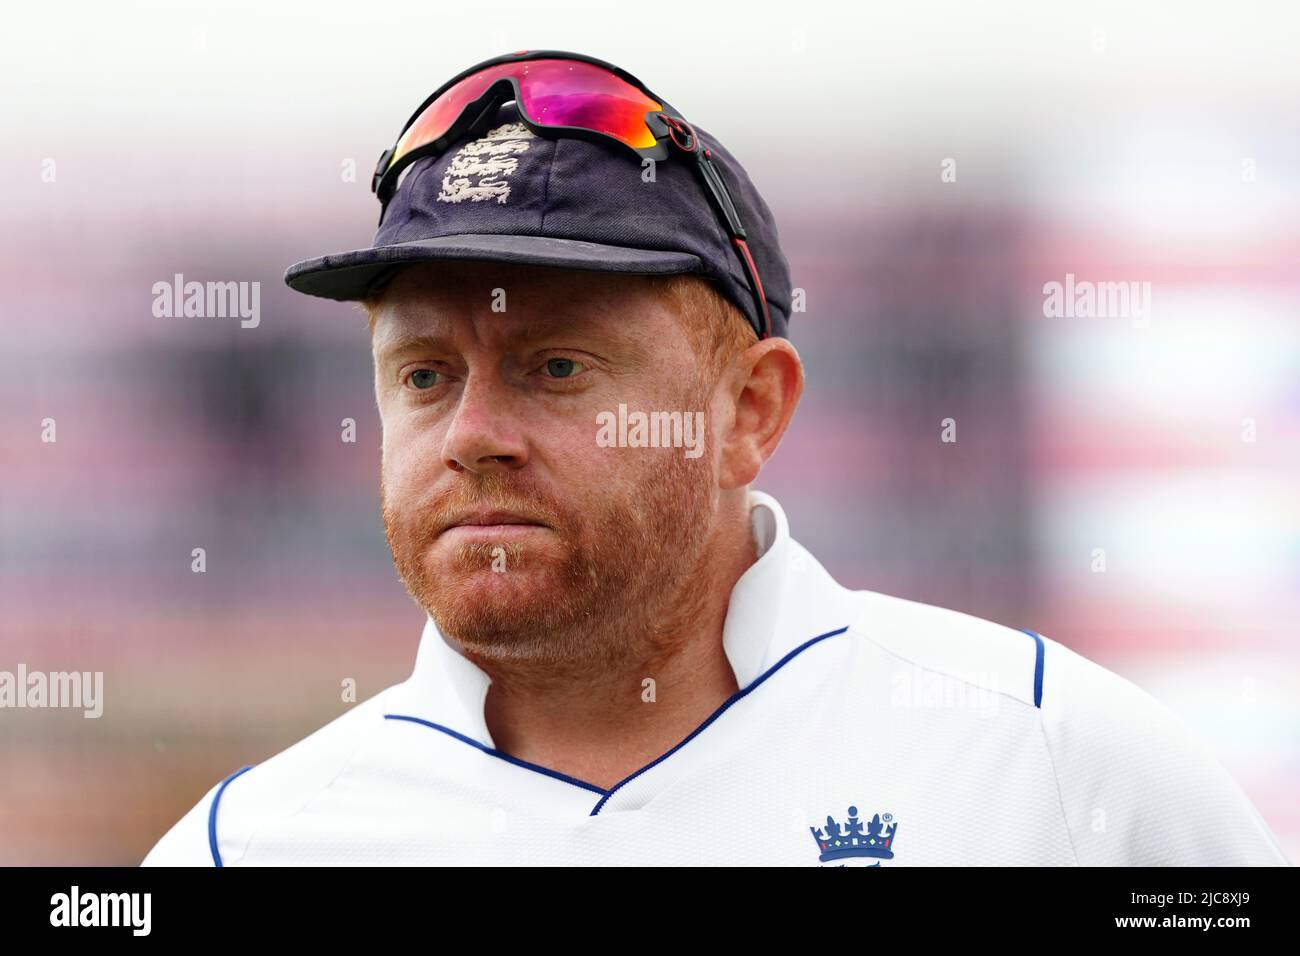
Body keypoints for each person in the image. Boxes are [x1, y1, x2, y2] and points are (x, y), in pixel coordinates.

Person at [142, 52, 1289, 866]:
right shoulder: (245, 848)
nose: (473, 434)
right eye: (425, 375)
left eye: (557, 369)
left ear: (751, 410)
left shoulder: (1061, 767)